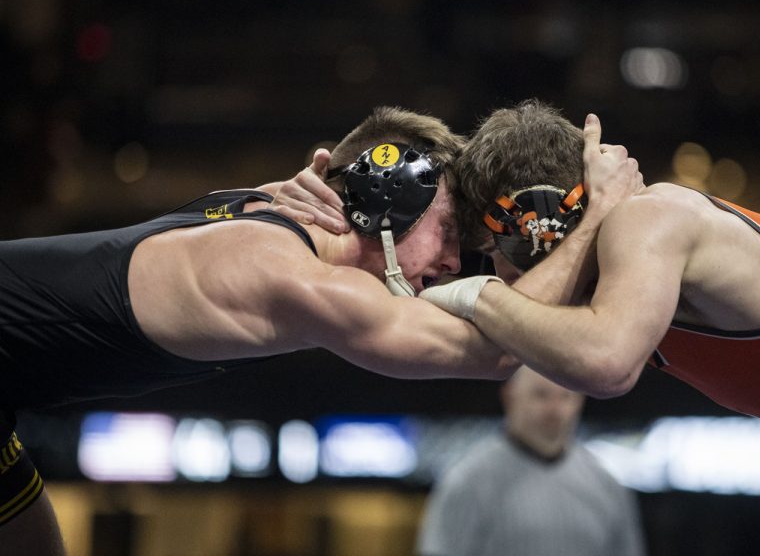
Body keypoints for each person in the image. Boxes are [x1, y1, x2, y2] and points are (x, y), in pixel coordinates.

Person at [0, 105, 642, 555]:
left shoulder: (276, 211)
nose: (452, 264)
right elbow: (499, 350)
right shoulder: (290, 276)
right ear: (384, 197)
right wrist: (597, 217)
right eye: (448, 233)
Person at [420, 100, 760, 556]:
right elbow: (506, 353)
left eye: (492, 253)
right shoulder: (616, 275)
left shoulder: (650, 219)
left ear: (537, 223)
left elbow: (606, 365)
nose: (497, 275)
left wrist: (477, 295)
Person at [416, 366, 646, 556]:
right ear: (510, 395)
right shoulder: (468, 481)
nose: (555, 410)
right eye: (541, 395)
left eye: (565, 396)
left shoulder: (606, 484)